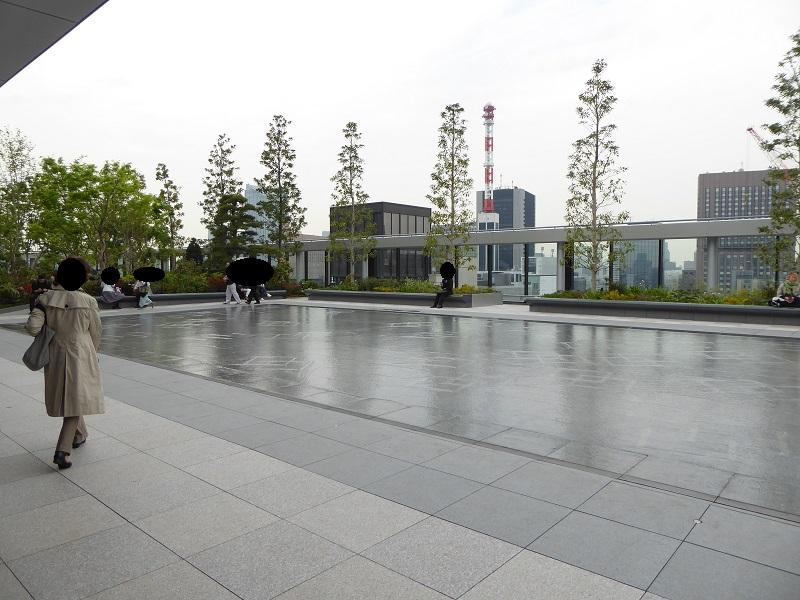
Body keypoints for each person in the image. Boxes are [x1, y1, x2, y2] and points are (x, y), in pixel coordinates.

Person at [25, 257, 105, 470]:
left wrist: (42, 312)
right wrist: (94, 353)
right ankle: (63, 450)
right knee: (76, 398)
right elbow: (96, 332)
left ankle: (79, 435)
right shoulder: (89, 301)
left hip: (56, 354)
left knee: (71, 396)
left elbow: (33, 328)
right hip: (81, 353)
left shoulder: (45, 299)